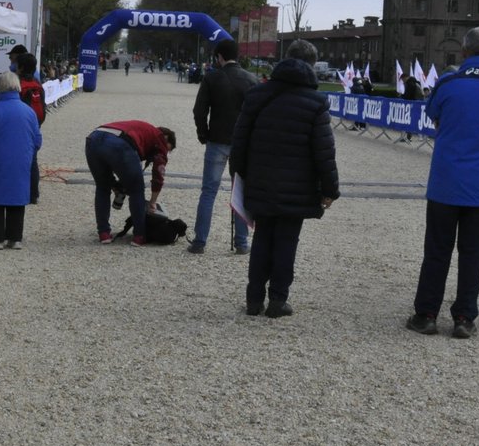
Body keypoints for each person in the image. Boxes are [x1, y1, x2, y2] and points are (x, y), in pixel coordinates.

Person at [407, 26, 479, 339]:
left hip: (447, 181)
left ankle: (426, 314)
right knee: (474, 254)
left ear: (464, 52)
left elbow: (434, 116)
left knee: (437, 251)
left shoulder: (448, 82)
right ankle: (464, 317)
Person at [228, 39, 339, 318]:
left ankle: (254, 299)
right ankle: (278, 300)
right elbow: (324, 151)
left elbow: (239, 140)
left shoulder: (257, 94)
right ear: (312, 65)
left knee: (262, 237)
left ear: (285, 59)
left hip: (259, 180)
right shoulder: (316, 102)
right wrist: (330, 189)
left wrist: (238, 175)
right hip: (298, 186)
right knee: (287, 241)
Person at [189, 38, 256, 256]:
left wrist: (203, 134)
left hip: (217, 140)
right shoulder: (251, 79)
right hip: (243, 144)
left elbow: (199, 111)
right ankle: (241, 242)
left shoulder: (212, 77)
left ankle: (200, 241)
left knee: (208, 191)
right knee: (241, 192)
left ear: (219, 57)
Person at [0, 71, 42, 250]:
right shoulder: (29, 112)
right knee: (17, 198)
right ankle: (15, 238)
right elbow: (37, 139)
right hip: (22, 159)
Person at [85, 119, 177, 245]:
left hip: (93, 138)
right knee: (136, 190)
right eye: (168, 149)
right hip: (120, 143)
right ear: (166, 139)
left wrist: (115, 185)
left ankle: (103, 234)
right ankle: (139, 236)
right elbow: (158, 174)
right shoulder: (160, 138)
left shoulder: (144, 131)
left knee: (102, 187)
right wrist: (153, 202)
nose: (164, 152)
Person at [16, 53, 46, 204]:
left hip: (20, 126)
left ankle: (17, 191)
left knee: (17, 159)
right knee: (32, 160)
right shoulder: (37, 84)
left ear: (20, 67)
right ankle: (33, 194)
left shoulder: (17, 83)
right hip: (35, 124)